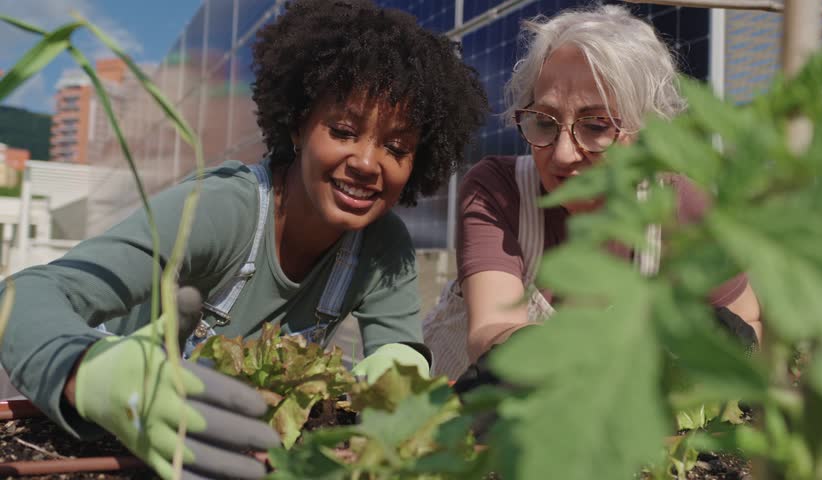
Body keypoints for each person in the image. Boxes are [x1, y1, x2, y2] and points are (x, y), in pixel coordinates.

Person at [0, 1, 488, 478]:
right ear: (298, 125)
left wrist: (398, 377)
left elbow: (398, 355)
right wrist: (90, 373)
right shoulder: (220, 210)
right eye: (343, 130)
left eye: (396, 147)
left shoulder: (383, 247)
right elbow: (21, 299)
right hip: (122, 438)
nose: (365, 161)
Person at [424, 5, 761, 386]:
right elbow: (493, 329)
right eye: (545, 122)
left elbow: (746, 321)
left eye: (597, 126)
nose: (563, 153)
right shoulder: (500, 192)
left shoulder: (678, 206)